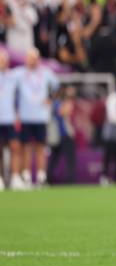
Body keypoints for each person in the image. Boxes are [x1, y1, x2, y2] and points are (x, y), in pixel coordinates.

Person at [14, 48, 59, 187]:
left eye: (34, 58)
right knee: (26, 147)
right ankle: (26, 175)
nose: (31, 61)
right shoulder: (19, 73)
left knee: (41, 147)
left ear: (38, 59)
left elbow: (57, 85)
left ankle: (41, 176)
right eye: (29, 58)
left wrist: (51, 99)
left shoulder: (45, 73)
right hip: (26, 116)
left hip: (41, 116)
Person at [0, 50, 27, 190]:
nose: (2, 63)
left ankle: (15, 177)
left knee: (15, 148)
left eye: (4, 60)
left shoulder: (13, 76)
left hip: (10, 118)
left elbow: (29, 66)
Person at [47, 86, 77, 184]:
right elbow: (63, 112)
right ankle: (49, 179)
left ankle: (69, 179)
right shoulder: (56, 104)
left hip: (63, 135)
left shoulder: (56, 103)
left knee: (65, 158)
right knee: (58, 158)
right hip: (60, 135)